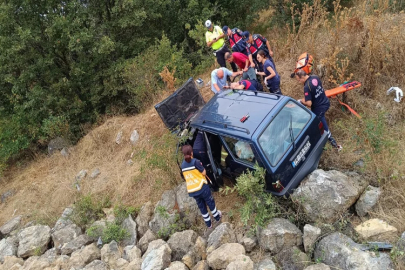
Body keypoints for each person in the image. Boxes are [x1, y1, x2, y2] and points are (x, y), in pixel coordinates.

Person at [293, 53, 342, 150]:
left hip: (318, 109)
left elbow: (309, 103)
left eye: (299, 80)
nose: (299, 82)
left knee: (324, 128)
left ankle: (336, 146)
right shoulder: (315, 77)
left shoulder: (307, 87)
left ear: (302, 77)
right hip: (326, 102)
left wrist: (301, 101)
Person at [181, 145, 222, 229]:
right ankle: (217, 217)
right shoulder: (195, 162)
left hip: (193, 190)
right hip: (202, 187)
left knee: (202, 206)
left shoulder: (183, 165)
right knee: (210, 202)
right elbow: (204, 173)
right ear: (191, 153)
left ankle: (208, 224)